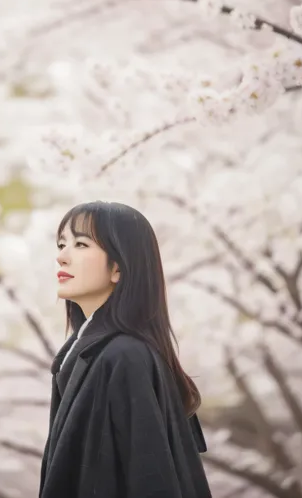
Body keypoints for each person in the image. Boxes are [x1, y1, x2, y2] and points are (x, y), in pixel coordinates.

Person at [38, 200, 213, 498]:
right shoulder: (87, 352)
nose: (62, 258)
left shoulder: (125, 356)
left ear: (118, 267)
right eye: (61, 244)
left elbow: (151, 478)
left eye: (80, 244)